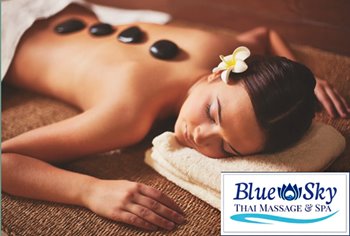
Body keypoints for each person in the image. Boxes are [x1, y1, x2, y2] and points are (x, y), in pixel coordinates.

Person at [2, 3, 349, 231]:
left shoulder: (219, 51)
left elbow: (263, 36)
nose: (202, 136)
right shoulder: (129, 115)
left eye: (226, 148)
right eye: (213, 112)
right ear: (218, 73)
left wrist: (301, 78)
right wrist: (90, 191)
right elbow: (6, 160)